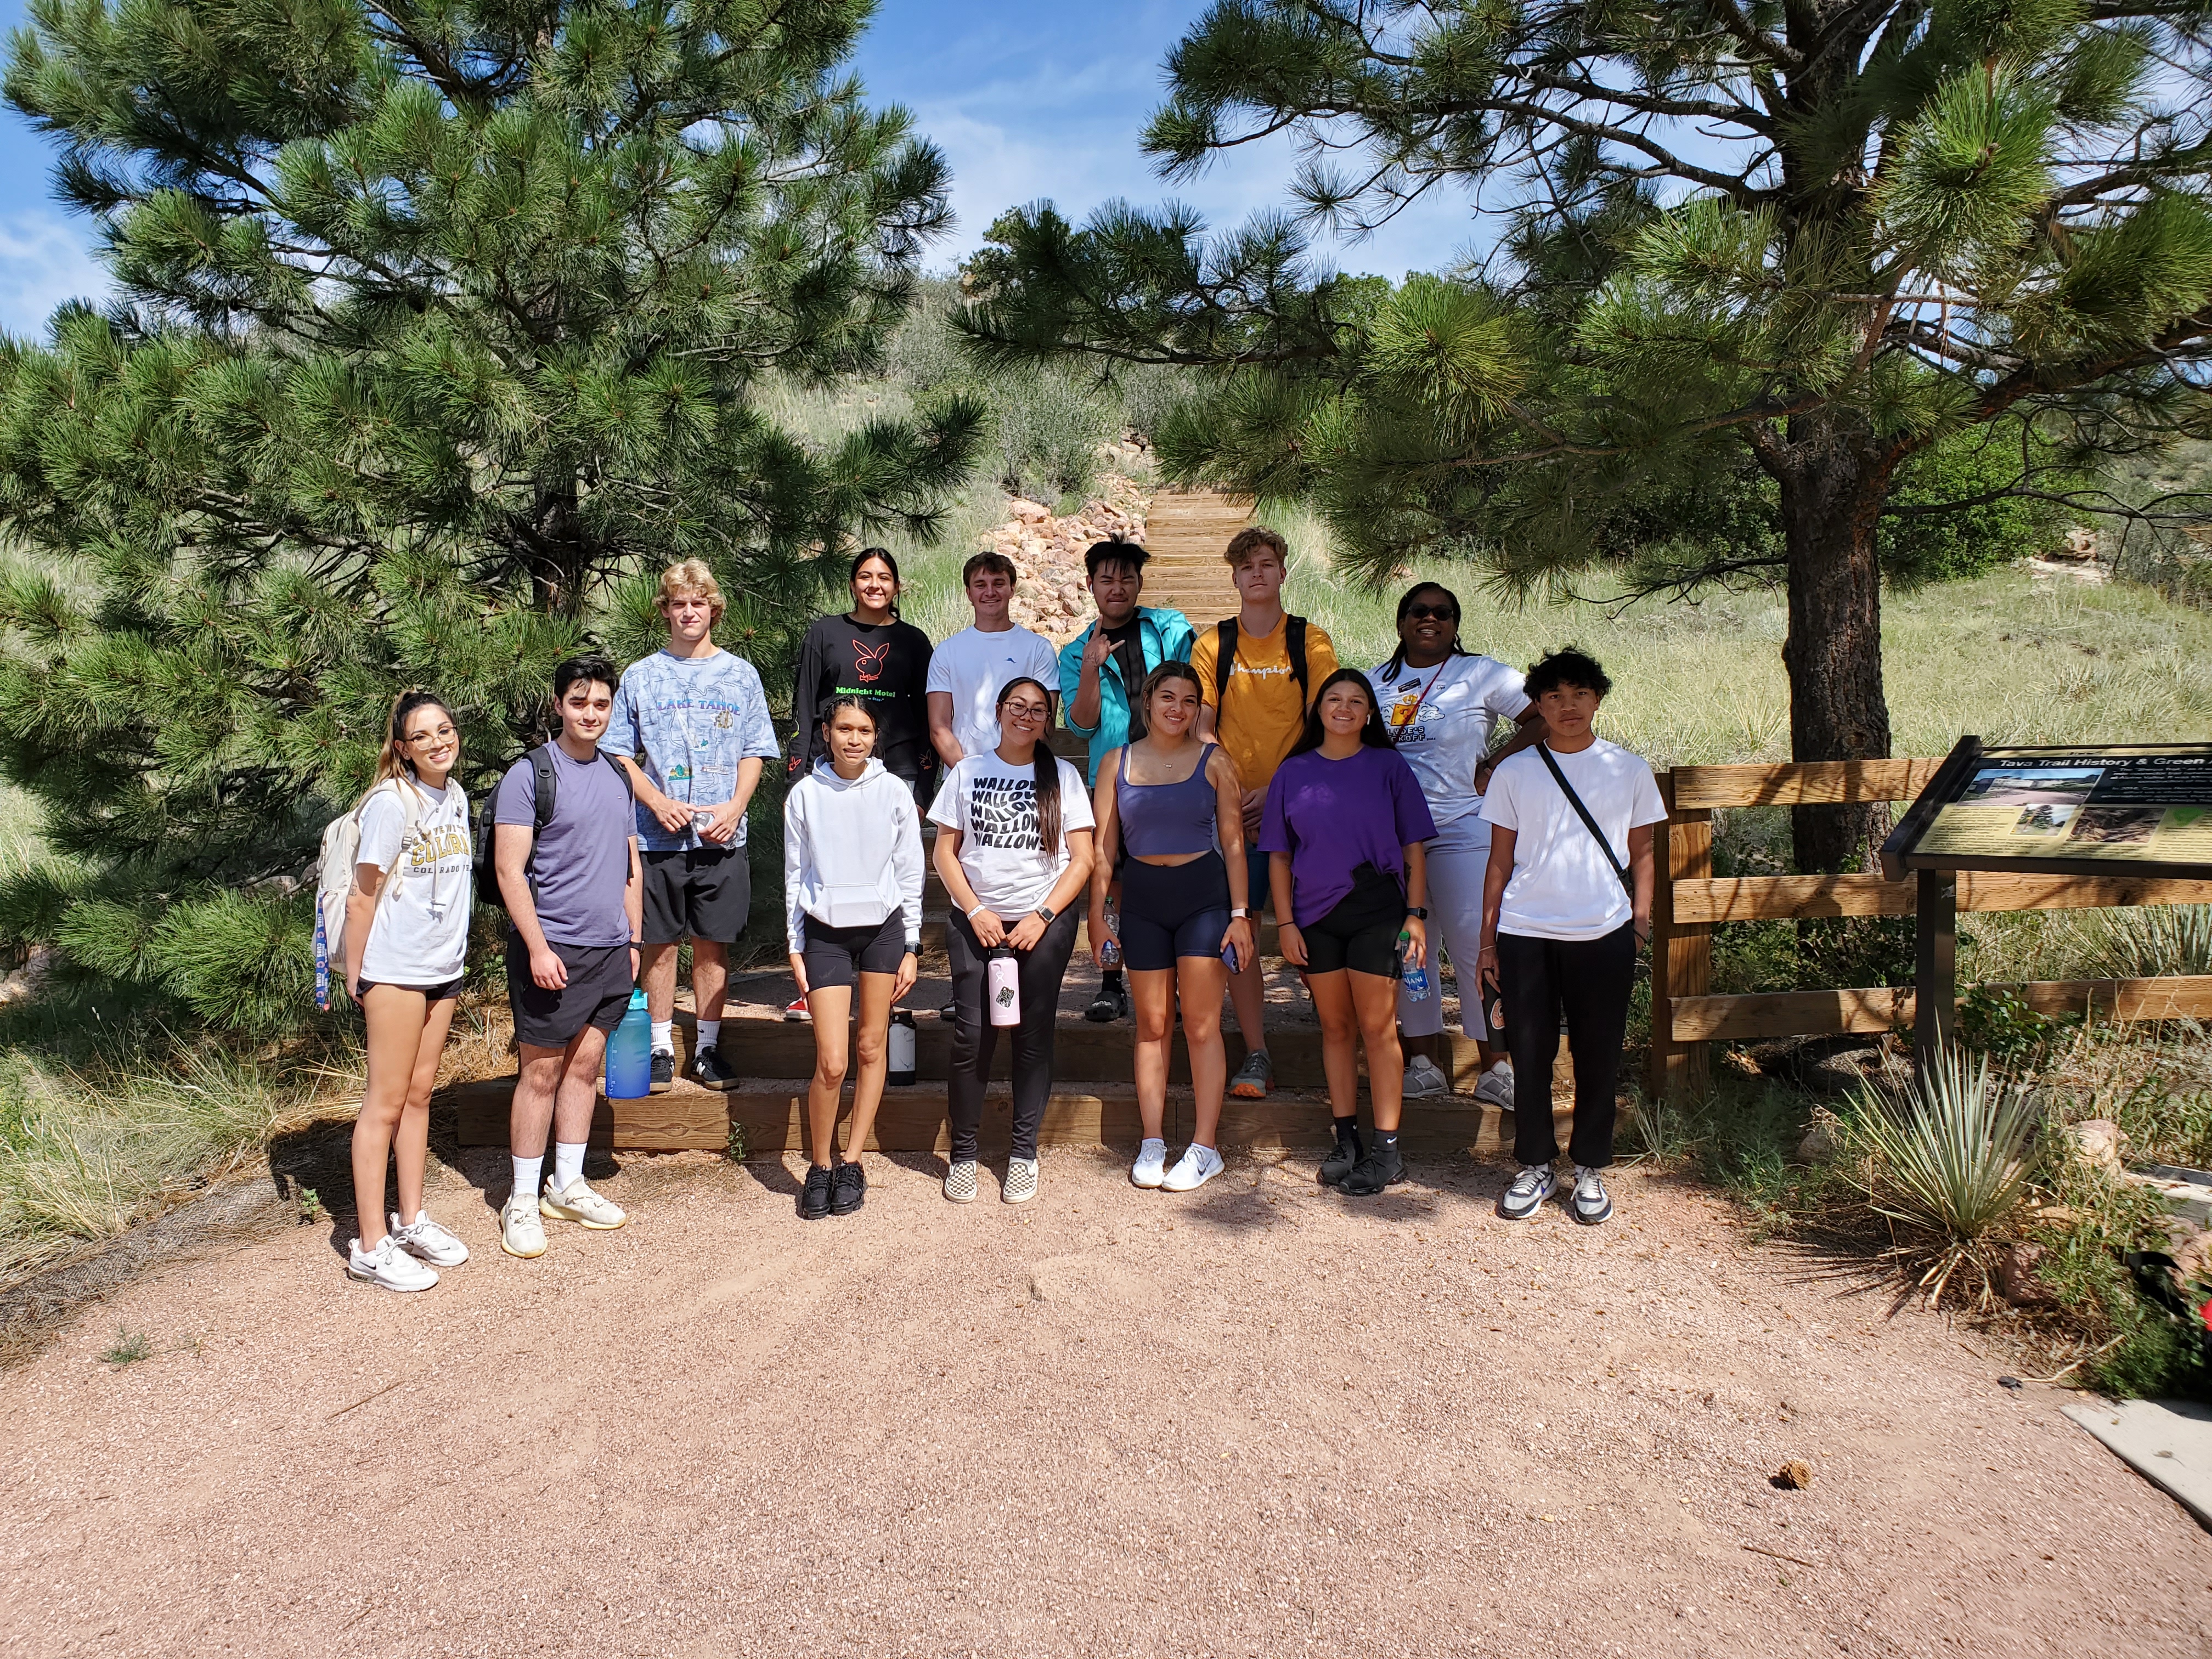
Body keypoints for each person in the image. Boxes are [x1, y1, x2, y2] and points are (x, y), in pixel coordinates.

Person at [1477, 648, 1664, 1228]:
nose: (1567, 707)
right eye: (1554, 696)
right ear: (1538, 705)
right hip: (1526, 931)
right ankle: (1534, 1162)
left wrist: (1640, 922)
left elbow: (1644, 852)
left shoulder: (1629, 769)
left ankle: (1589, 1167)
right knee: (1530, 1054)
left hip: (1604, 930)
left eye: (1579, 694)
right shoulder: (1515, 771)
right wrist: (1487, 942)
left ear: (1598, 699)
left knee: (1598, 1056)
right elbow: (1499, 863)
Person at [1368, 582, 1547, 1106]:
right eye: (1419, 611)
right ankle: (1422, 1062)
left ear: (1455, 623)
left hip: (1463, 827)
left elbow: (1541, 715)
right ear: (1401, 621)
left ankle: (1496, 1065)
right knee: (1410, 951)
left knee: (1476, 942)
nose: (1431, 620)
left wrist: (1496, 764)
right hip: (1396, 839)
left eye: (1443, 613)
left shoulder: (1481, 673)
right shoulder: (1376, 682)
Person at [1260, 668, 1435, 1197]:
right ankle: (1346, 1139)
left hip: (1378, 909)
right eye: (1333, 699)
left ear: (1369, 713)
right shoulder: (1292, 772)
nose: (1343, 708)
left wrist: (1415, 914)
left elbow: (1414, 849)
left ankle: (1387, 1150)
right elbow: (1278, 855)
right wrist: (1285, 922)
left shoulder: (1389, 767)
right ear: (1319, 710)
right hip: (1315, 916)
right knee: (1335, 1029)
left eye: (1356, 701)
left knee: (1379, 1028)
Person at [494, 654, 644, 1259]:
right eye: (578, 702)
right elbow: (508, 869)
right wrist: (536, 947)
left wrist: (634, 941)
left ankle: (568, 1184)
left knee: (585, 1069)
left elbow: (632, 864)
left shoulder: (617, 774)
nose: (590, 713)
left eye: (601, 704)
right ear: (558, 705)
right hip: (552, 949)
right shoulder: (531, 774)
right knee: (540, 1074)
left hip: (611, 950)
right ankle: (522, 1199)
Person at [610, 561, 780, 1087]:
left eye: (698, 603)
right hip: (658, 836)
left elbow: (755, 750)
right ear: (664, 610)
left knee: (712, 943)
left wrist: (735, 808)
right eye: (678, 603)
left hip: (720, 835)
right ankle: (660, 1046)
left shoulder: (740, 674)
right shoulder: (641, 675)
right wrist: (655, 800)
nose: (689, 612)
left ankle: (707, 1047)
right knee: (659, 943)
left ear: (714, 609)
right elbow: (618, 752)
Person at [930, 677, 1097, 1206]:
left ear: (1048, 719)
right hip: (975, 922)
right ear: (999, 711)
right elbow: (944, 854)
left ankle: (1023, 1153)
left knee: (1032, 1036)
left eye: (1038, 709)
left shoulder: (1063, 777)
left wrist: (1043, 914)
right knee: (972, 1036)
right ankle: (963, 1154)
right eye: (1017, 707)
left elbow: (1083, 860)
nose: (1026, 716)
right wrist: (976, 910)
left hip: (1041, 925)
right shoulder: (968, 772)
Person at [1088, 663, 1252, 1193]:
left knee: (1202, 1025)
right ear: (1149, 703)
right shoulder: (1117, 761)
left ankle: (1205, 1148)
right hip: (1143, 904)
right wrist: (1097, 916)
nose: (1177, 708)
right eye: (1167, 697)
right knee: (1152, 1026)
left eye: (1188, 700)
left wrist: (1241, 915)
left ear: (1198, 709)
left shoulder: (1215, 761)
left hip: (1204, 900)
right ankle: (1153, 1140)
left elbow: (1233, 844)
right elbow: (1104, 849)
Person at [1189, 526, 1339, 1100]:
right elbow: (1203, 725)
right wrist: (1229, 785)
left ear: (1282, 573)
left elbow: (1326, 720)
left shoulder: (1310, 641)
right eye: (1246, 565)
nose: (1257, 573)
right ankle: (1257, 1053)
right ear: (1234, 577)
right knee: (1243, 929)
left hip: (1303, 806)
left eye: (1267, 563)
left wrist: (1276, 788)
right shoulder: (1213, 644)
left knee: (1320, 925)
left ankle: (1339, 1036)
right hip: (1237, 812)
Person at [340, 691, 474, 1293]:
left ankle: (411, 1218)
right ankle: (370, 1245)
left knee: (420, 1094)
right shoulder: (392, 804)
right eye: (423, 736)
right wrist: (355, 970)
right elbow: (362, 894)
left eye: (445, 730)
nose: (438, 742)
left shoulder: (457, 797)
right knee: (385, 1101)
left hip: (442, 966)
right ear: (402, 748)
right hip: (395, 970)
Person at [783, 697, 925, 1221]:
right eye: (844, 728)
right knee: (832, 1060)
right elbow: (795, 876)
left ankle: (852, 1159)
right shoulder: (804, 795)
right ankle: (819, 1165)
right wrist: (795, 946)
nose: (854, 739)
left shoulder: (892, 792)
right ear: (826, 732)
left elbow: (910, 872)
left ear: (874, 737)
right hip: (824, 932)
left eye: (864, 730)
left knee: (870, 1045)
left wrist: (912, 945)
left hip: (883, 932)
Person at [785, 548, 935, 1023]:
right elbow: (805, 703)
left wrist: (925, 784)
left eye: (885, 577)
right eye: (866, 576)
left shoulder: (913, 640)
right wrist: (800, 770)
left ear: (897, 586)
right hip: (831, 770)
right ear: (853, 583)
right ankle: (820, 986)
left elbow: (928, 715)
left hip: (901, 766)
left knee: (890, 867)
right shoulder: (824, 632)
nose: (875, 584)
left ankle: (882, 985)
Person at [1057, 539, 1195, 1023]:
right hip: (1115, 779)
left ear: (1139, 583)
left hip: (1174, 773)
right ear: (1090, 584)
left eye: (1127, 579)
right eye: (1107, 579)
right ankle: (1111, 984)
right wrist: (1094, 664)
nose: (1118, 588)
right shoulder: (1076, 652)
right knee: (1111, 878)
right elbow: (1081, 724)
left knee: (1171, 877)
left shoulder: (1170, 627)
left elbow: (1190, 691)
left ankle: (1173, 986)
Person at [927, 551, 1061, 765]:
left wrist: (1013, 771)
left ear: (1012, 589)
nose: (990, 592)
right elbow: (939, 727)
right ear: (969, 593)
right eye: (980, 585)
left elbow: (1044, 722)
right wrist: (968, 775)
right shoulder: (947, 651)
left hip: (1023, 775)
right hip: (965, 775)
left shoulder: (1039, 649)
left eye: (998, 583)